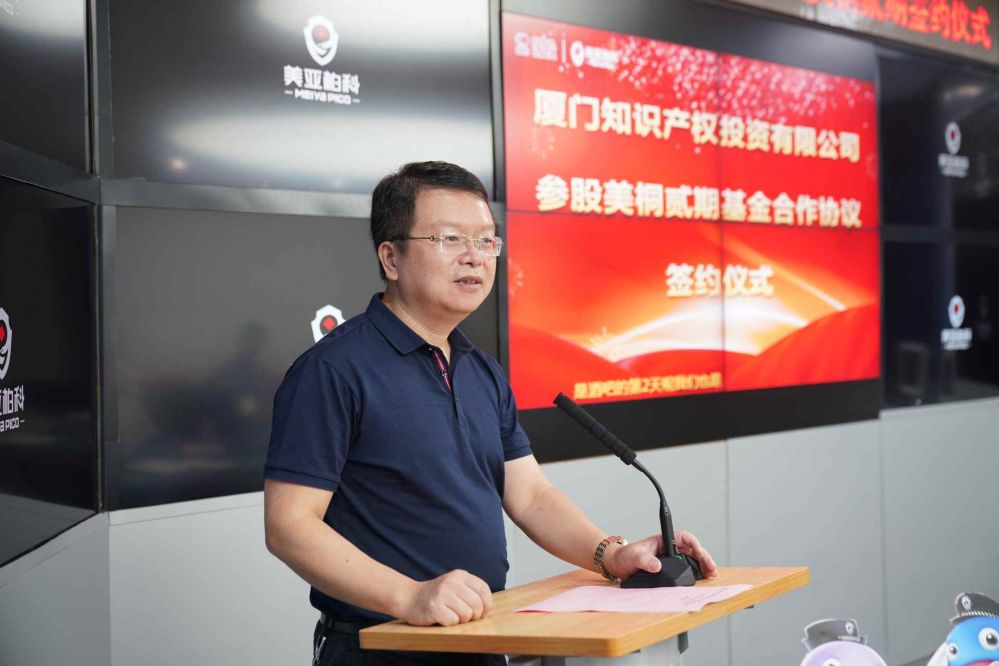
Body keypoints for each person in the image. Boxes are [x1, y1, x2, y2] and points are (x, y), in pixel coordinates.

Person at [263, 161, 717, 665]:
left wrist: (611, 554)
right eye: (450, 239)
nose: (474, 257)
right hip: (383, 644)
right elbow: (289, 525)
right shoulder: (332, 370)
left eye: (485, 241)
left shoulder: (480, 369)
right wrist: (409, 597)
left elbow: (530, 495)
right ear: (391, 258)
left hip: (480, 635)